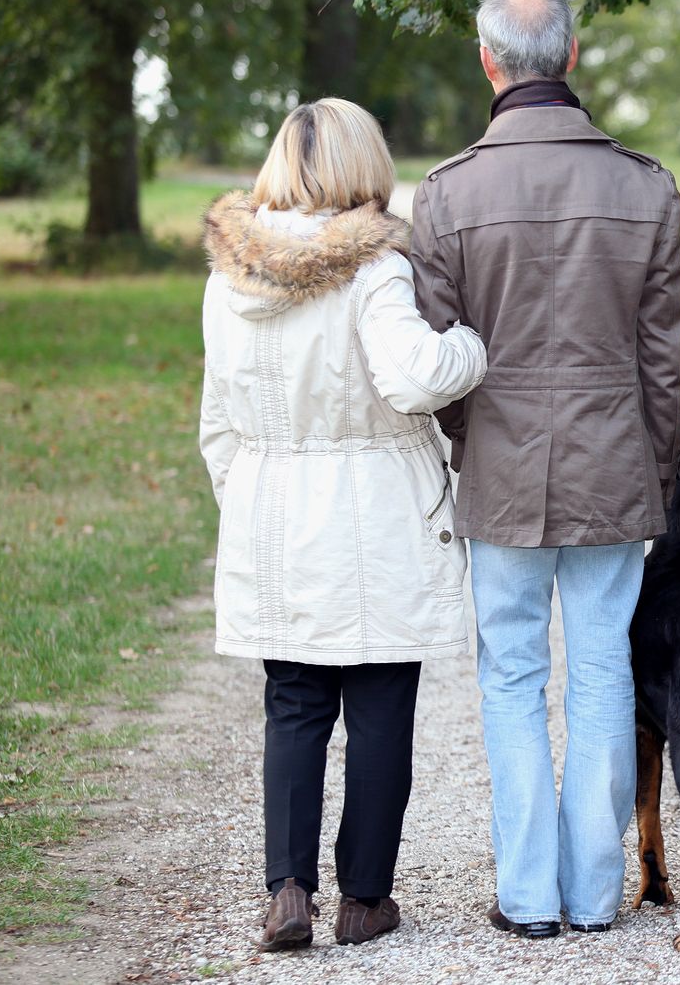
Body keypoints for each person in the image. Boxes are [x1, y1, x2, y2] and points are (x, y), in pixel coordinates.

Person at [410, 0, 680, 937]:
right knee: (604, 668)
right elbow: (667, 358)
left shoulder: (448, 193)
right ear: (570, 56)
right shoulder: (643, 185)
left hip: (500, 467)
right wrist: (661, 469)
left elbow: (437, 357)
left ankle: (529, 897)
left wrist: (469, 444)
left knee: (511, 674)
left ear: (488, 62)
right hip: (614, 462)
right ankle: (592, 893)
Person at [198, 98, 488, 950]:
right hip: (375, 512)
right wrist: (470, 343)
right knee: (379, 703)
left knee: (291, 703)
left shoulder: (230, 277)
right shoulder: (375, 267)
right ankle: (365, 897)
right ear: (367, 165)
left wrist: (248, 494)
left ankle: (287, 891)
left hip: (271, 503)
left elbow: (218, 419)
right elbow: (415, 375)